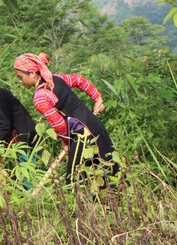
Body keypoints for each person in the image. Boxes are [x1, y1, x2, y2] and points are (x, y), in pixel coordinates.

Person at [14, 53, 117, 185]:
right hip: (95, 126)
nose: (20, 81)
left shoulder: (40, 97)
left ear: (33, 73)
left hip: (81, 136)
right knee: (110, 169)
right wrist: (97, 97)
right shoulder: (57, 79)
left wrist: (66, 142)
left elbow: (60, 125)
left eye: (21, 77)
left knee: (75, 181)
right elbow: (79, 80)